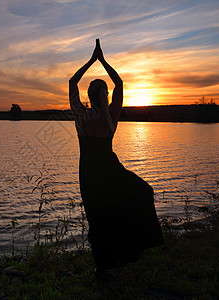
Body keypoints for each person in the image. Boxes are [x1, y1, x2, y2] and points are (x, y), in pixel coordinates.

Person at [69, 39, 164, 280]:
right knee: (100, 216)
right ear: (101, 94)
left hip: (98, 169)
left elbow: (74, 83)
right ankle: (103, 266)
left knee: (133, 197)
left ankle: (112, 260)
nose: (108, 93)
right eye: (105, 91)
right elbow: (117, 82)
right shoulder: (106, 114)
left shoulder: (84, 115)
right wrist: (99, 61)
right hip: (98, 170)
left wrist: (95, 61)